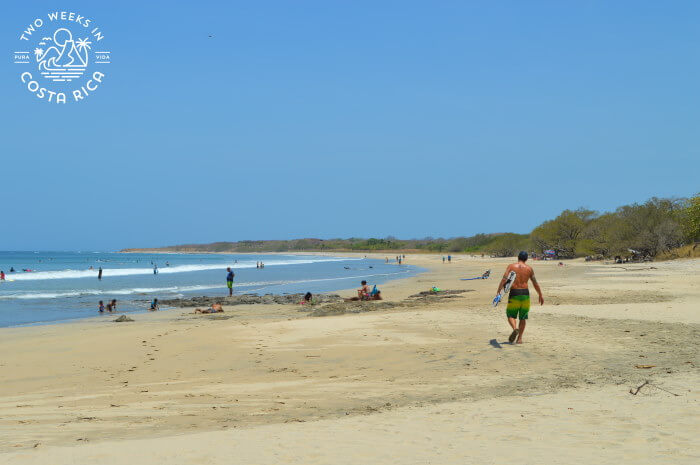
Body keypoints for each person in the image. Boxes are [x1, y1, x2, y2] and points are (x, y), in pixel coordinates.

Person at [496, 251, 544, 344]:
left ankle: (515, 328)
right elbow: (535, 283)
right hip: (525, 294)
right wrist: (540, 295)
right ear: (526, 259)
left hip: (514, 293)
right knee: (523, 317)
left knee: (510, 315)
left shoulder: (511, 266)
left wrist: (498, 292)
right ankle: (519, 339)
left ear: (518, 257)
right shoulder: (529, 269)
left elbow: (504, 279)